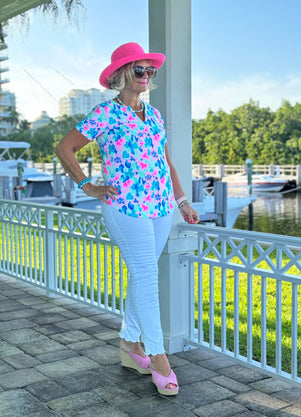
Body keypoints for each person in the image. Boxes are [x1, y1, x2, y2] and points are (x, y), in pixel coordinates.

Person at [55, 42, 199, 396]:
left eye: (150, 71)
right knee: (147, 277)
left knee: (142, 276)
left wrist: (180, 200)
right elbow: (64, 148)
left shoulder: (154, 115)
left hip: (160, 208)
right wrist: (87, 185)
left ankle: (128, 344)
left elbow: (165, 163)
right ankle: (157, 355)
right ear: (121, 75)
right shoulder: (105, 114)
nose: (147, 76)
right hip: (125, 209)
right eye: (140, 71)